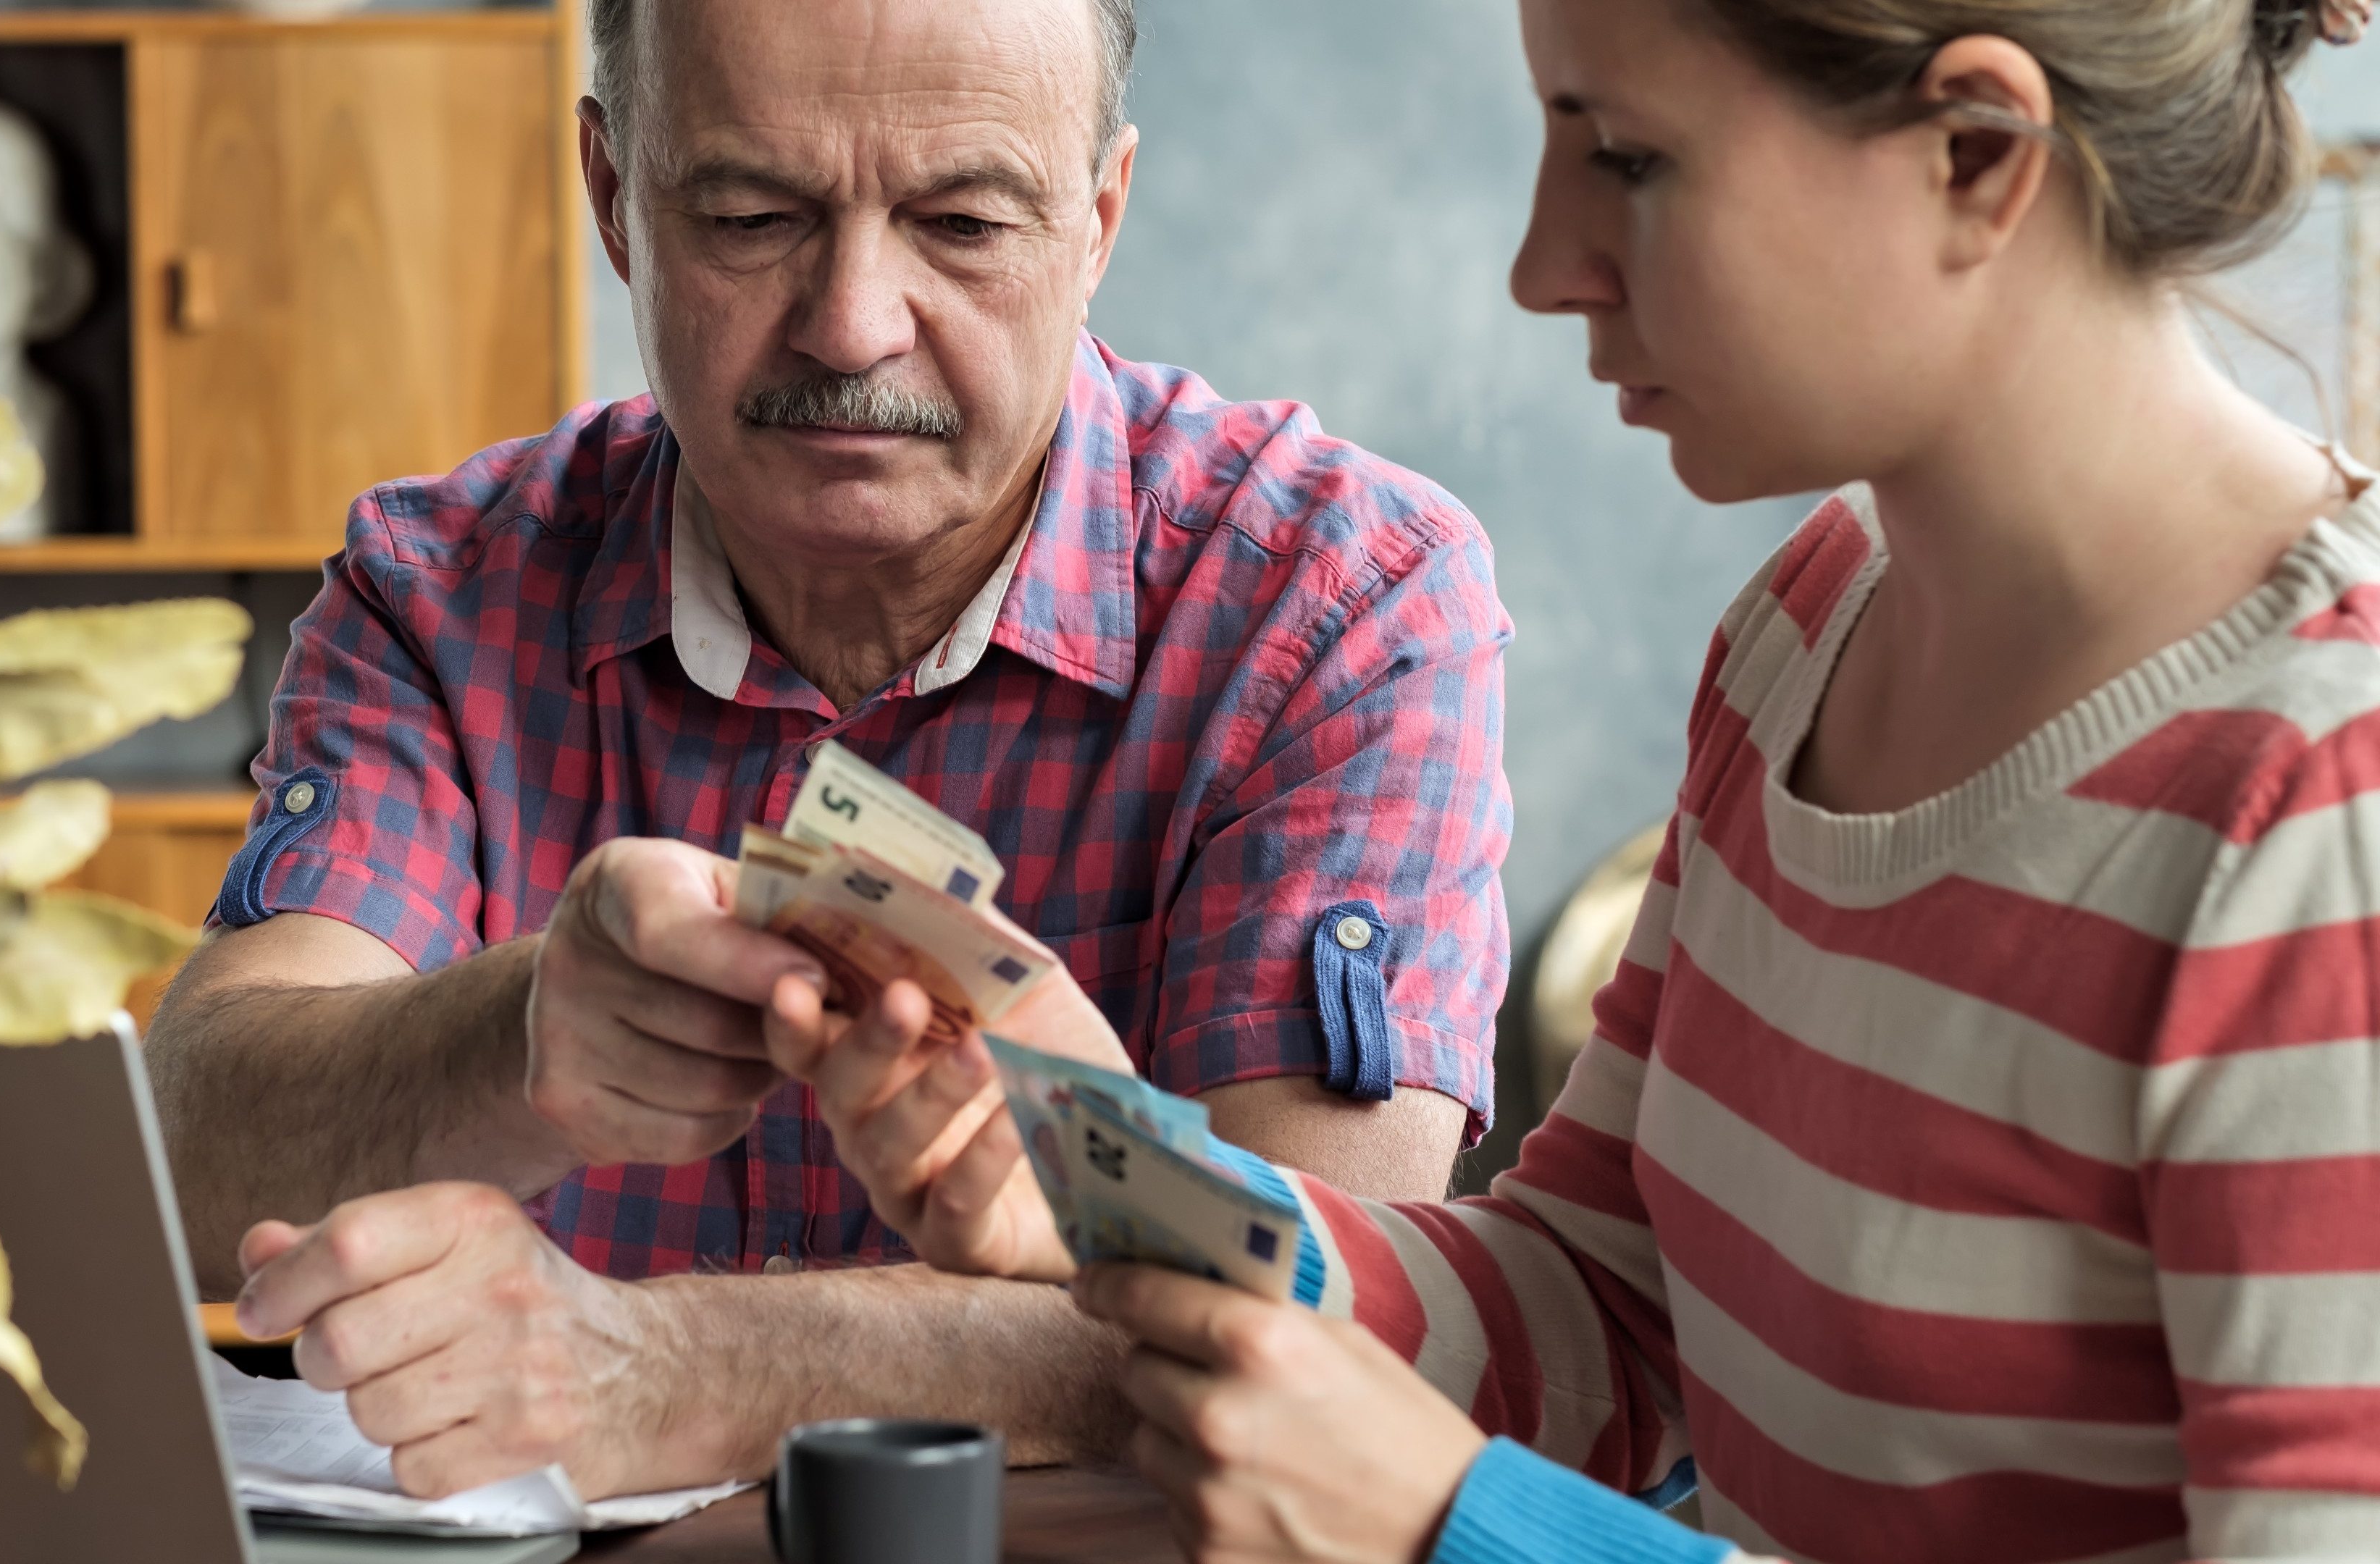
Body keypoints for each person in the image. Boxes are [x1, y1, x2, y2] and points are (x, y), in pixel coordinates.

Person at [774, 0, 2380, 1559]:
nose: (1546, 269)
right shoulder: (1811, 629)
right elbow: (1600, 1307)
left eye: (1625, 155)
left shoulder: (2321, 814)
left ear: (1976, 151)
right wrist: (1108, 1171)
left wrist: (1464, 1533)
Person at [143, 0, 1513, 1505]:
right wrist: (512, 1038)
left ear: (1099, 215)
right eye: (750, 216)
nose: (853, 324)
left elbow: (1337, 1331)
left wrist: (676, 1369)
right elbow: (190, 1153)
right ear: (614, 196)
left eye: (967, 222)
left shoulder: (1340, 605)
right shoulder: (443, 585)